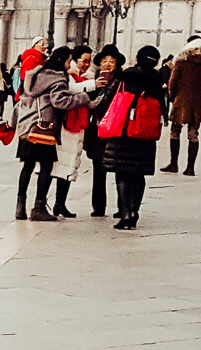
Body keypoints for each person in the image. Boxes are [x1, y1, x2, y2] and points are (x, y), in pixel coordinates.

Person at [14, 46, 91, 221]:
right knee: (46, 168)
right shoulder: (57, 79)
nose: (69, 63)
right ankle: (39, 207)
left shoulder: (34, 75)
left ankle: (20, 206)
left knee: (28, 166)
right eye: (68, 60)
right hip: (44, 129)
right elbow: (60, 101)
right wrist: (83, 99)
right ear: (61, 61)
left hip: (27, 128)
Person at [104, 46, 167, 230]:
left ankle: (125, 214)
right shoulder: (157, 81)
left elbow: (109, 100)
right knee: (139, 174)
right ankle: (134, 212)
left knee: (123, 173)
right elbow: (163, 109)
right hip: (145, 136)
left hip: (124, 132)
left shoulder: (125, 77)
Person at [52, 45, 108, 218]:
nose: (86, 64)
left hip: (79, 124)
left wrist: (99, 98)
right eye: (83, 61)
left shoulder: (86, 78)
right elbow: (71, 89)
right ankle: (54, 203)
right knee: (61, 164)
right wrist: (92, 85)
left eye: (89, 61)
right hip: (65, 125)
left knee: (71, 164)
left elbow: (85, 102)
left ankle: (60, 203)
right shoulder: (68, 76)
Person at [162, 35, 201, 176]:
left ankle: (174, 163)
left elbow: (172, 83)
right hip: (199, 101)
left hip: (182, 100)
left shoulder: (181, 63)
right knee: (193, 134)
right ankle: (190, 167)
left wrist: (173, 97)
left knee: (175, 130)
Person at [83, 44, 125, 218]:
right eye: (104, 61)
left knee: (120, 170)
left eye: (111, 61)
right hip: (98, 131)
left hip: (116, 130)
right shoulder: (93, 81)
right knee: (98, 170)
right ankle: (98, 206)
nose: (107, 64)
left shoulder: (121, 82)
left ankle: (122, 207)